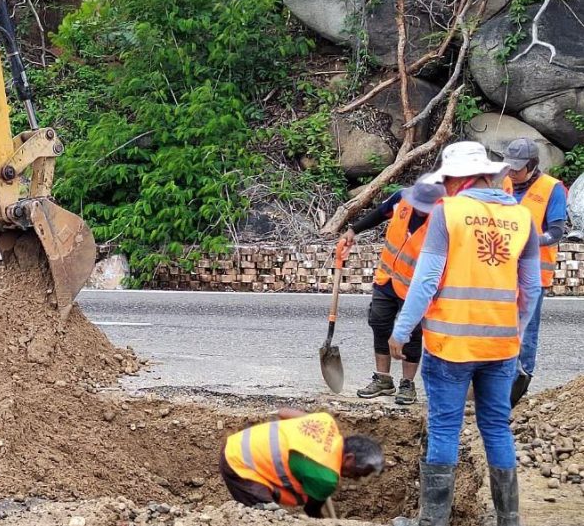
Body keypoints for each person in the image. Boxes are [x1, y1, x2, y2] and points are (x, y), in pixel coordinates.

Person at [390, 141, 540, 526]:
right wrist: (517, 334)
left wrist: (402, 330)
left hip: (450, 345)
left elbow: (425, 281)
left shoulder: (449, 213)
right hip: (501, 345)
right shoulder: (522, 218)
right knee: (495, 426)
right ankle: (509, 520)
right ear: (490, 174)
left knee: (444, 427)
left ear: (456, 179)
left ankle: (432, 521)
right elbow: (532, 290)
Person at [340, 179, 446, 404]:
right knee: (379, 322)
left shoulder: (443, 217)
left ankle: (407, 384)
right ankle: (383, 379)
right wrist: (353, 229)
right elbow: (380, 212)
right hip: (386, 278)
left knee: (412, 333)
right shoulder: (402, 198)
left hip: (415, 288)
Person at [221, 409, 384, 518]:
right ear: (349, 458)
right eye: (359, 473)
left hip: (240, 442)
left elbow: (285, 412)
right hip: (240, 466)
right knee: (266, 518)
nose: (356, 479)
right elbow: (311, 512)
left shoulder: (326, 422)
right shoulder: (326, 478)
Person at [501, 138, 566, 405]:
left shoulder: (552, 189)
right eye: (509, 168)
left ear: (532, 165)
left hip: (533, 274)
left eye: (517, 169)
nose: (512, 173)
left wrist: (525, 240)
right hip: (502, 270)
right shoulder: (503, 183)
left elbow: (556, 232)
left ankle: (521, 380)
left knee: (526, 329)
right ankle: (499, 379)